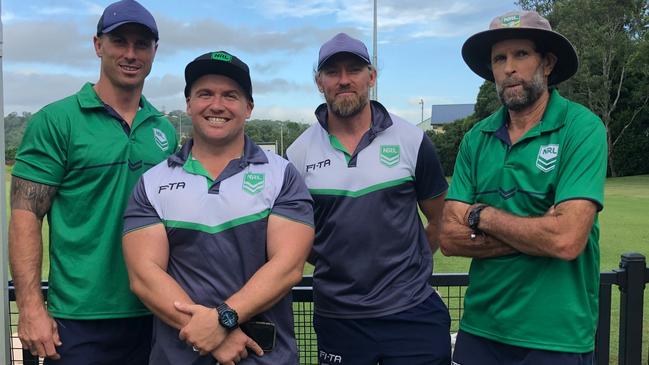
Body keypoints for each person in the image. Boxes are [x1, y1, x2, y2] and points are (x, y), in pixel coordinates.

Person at [8, 1, 177, 364]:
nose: (131, 54)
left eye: (141, 44)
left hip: (157, 313)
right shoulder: (56, 121)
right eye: (120, 41)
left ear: (155, 52)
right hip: (78, 321)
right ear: (98, 45)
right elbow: (25, 217)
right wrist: (31, 308)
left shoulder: (163, 129)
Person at [121, 50, 314, 365]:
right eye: (205, 94)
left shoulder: (282, 175)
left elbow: (288, 267)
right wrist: (209, 335)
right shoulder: (152, 182)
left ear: (248, 107)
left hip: (264, 357)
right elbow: (144, 275)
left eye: (230, 95)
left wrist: (223, 319)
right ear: (188, 104)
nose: (217, 105)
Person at [439, 10, 607, 365]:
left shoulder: (581, 128)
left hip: (556, 336)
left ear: (546, 63)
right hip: (481, 329)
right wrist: (536, 232)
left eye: (521, 55)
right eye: (499, 58)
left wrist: (479, 215)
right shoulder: (476, 137)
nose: (509, 68)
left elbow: (566, 239)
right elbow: (449, 238)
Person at [287, 33, 451, 365]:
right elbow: (296, 242)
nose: (344, 80)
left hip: (412, 313)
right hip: (339, 318)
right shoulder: (298, 153)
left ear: (371, 77)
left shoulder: (412, 139)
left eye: (354, 70)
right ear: (320, 82)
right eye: (333, 72)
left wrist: (405, 266)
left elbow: (440, 219)